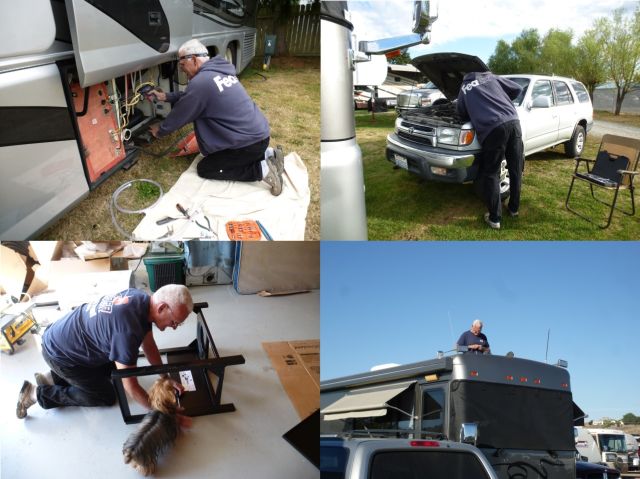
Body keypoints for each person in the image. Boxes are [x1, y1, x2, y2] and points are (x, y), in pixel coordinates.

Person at [16, 285, 193, 420]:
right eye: (174, 321)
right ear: (161, 308)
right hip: (61, 355)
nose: (175, 327)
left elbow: (149, 345)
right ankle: (36, 394)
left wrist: (165, 378)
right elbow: (130, 386)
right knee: (104, 395)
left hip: (63, 339)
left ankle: (51, 377)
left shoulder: (140, 299)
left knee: (116, 366)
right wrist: (162, 414)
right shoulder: (127, 330)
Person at [148, 39, 284, 195]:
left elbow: (181, 113)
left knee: (206, 168)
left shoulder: (201, 83)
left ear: (193, 59)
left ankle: (262, 170)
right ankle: (269, 154)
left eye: (182, 64)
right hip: (259, 136)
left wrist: (160, 131)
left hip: (248, 144)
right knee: (227, 157)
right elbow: (192, 97)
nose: (182, 70)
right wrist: (165, 96)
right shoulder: (218, 72)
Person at [456, 71, 524, 230]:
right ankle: (514, 209)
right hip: (513, 121)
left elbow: (461, 113)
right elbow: (517, 89)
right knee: (515, 169)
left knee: (491, 173)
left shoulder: (465, 87)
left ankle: (495, 218)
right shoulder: (491, 77)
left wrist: (477, 109)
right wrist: (502, 101)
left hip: (493, 129)